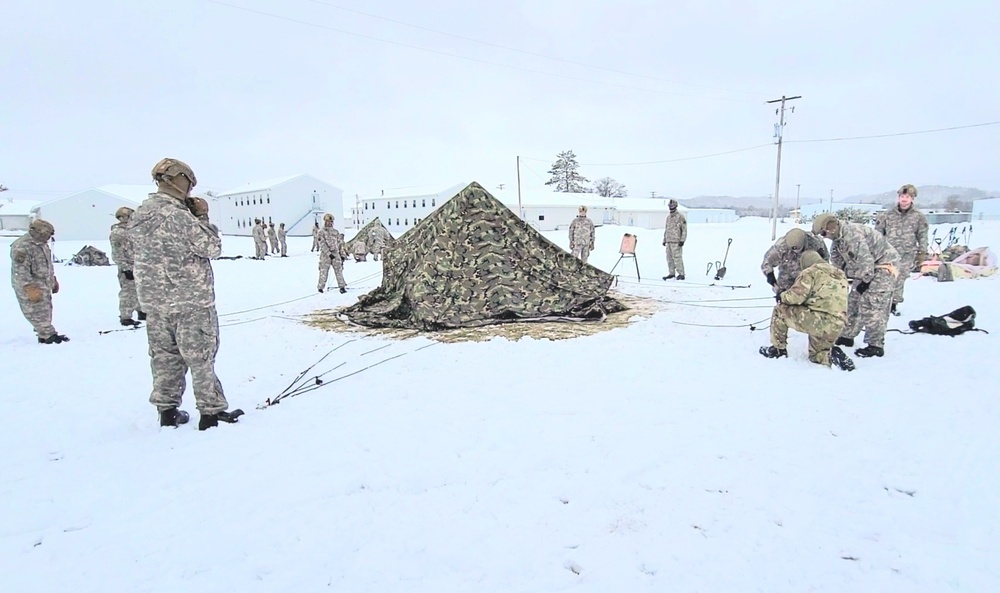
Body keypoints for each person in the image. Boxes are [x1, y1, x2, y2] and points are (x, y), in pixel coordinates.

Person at [130, 158, 242, 430]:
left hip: (155, 303)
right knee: (201, 358)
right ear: (179, 180)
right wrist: (202, 217)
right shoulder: (178, 216)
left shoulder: (140, 214)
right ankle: (210, 412)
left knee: (164, 357)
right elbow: (212, 247)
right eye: (189, 182)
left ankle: (167, 412)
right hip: (190, 300)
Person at [813, 212, 900, 358]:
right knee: (853, 301)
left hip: (884, 266)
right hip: (867, 269)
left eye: (823, 233)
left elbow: (866, 262)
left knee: (872, 305)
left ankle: (875, 345)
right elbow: (837, 264)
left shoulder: (853, 235)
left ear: (831, 227)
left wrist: (864, 284)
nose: (823, 237)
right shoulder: (838, 240)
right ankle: (847, 336)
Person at [759, 250, 854, 370]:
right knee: (816, 355)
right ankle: (831, 356)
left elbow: (795, 297)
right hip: (837, 324)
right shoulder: (839, 274)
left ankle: (778, 349)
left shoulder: (811, 272)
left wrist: (781, 295)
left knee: (780, 310)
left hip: (818, 320)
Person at [10, 219, 68, 344]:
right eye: (46, 234)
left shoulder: (41, 245)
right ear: (37, 232)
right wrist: (29, 288)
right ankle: (47, 335)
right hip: (30, 286)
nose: (48, 237)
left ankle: (46, 333)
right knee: (35, 311)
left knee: (45, 310)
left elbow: (46, 265)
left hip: (43, 284)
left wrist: (53, 280)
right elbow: (21, 272)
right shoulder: (22, 247)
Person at [874, 184, 929, 315]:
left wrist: (922, 252)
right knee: (885, 278)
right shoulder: (886, 216)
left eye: (907, 197)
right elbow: (877, 235)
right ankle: (882, 303)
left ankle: (893, 304)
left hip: (907, 254)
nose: (904, 199)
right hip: (887, 254)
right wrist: (875, 251)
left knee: (900, 279)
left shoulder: (919, 217)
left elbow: (922, 235)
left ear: (912, 198)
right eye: (902, 196)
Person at [761, 228, 830, 293]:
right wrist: (771, 277)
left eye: (799, 249)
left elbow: (825, 259)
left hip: (811, 278)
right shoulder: (781, 246)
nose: (797, 251)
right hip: (787, 280)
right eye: (794, 250)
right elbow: (767, 263)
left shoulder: (816, 242)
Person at [109, 206, 144, 326]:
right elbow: (117, 253)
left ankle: (141, 311)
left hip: (138, 265)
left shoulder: (133, 230)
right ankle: (126, 316)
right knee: (128, 292)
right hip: (127, 267)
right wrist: (125, 268)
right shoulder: (118, 233)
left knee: (140, 290)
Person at [317, 213, 347, 293]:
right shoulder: (321, 232)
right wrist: (328, 254)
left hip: (336, 254)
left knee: (339, 271)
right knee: (323, 272)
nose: (329, 223)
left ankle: (342, 287)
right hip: (325, 255)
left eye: (330, 221)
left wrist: (342, 254)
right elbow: (322, 243)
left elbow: (340, 243)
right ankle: (320, 287)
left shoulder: (335, 232)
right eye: (327, 221)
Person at [661, 199, 687, 280]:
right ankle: (671, 273)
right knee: (669, 258)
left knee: (677, 258)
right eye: (670, 206)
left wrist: (682, 240)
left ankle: (681, 274)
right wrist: (664, 239)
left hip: (677, 241)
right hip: (669, 241)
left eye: (672, 206)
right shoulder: (668, 217)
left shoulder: (680, 217)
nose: (671, 208)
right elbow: (667, 229)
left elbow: (684, 230)